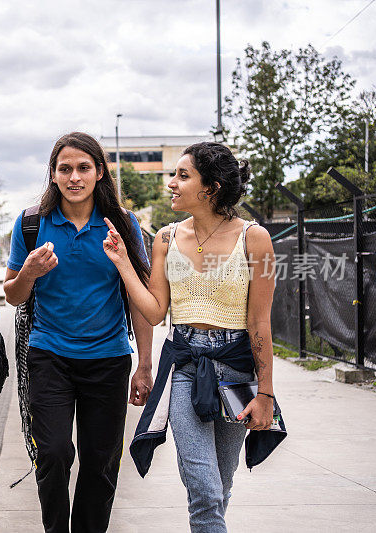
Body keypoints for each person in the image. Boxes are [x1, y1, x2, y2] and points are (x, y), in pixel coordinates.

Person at [106, 142, 279, 532]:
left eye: (183, 175)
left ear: (211, 187)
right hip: (184, 366)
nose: (172, 183)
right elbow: (153, 311)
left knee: (221, 482)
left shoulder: (255, 239)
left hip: (237, 371)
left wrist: (265, 394)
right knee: (204, 488)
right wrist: (121, 263)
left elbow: (260, 324)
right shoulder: (166, 238)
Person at [3, 132, 154, 533]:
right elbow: (13, 296)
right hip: (49, 355)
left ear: (99, 172)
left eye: (83, 167)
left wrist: (145, 364)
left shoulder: (122, 224)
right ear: (52, 175)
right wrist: (30, 273)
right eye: (64, 168)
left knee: (101, 461)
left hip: (108, 359)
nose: (74, 177)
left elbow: (138, 297)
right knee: (52, 452)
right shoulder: (32, 223)